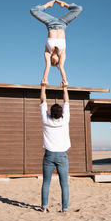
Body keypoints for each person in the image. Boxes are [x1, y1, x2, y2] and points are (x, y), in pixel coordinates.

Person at [30, 0, 82, 86]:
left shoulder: (47, 52)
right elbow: (61, 67)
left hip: (50, 24)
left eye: (52, 62)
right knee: (78, 9)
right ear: (58, 60)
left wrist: (44, 79)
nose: (53, 61)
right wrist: (65, 80)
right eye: (55, 62)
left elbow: (47, 66)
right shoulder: (62, 53)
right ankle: (65, 4)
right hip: (63, 23)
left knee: (33, 11)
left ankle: (47, 5)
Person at [39, 81, 71, 213]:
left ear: (50, 112)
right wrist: (65, 88)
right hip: (62, 155)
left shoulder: (45, 120)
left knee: (46, 182)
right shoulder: (65, 120)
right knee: (64, 183)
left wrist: (43, 86)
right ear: (62, 112)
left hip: (49, 155)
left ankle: (44, 207)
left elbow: (42, 100)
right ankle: (64, 208)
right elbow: (66, 101)